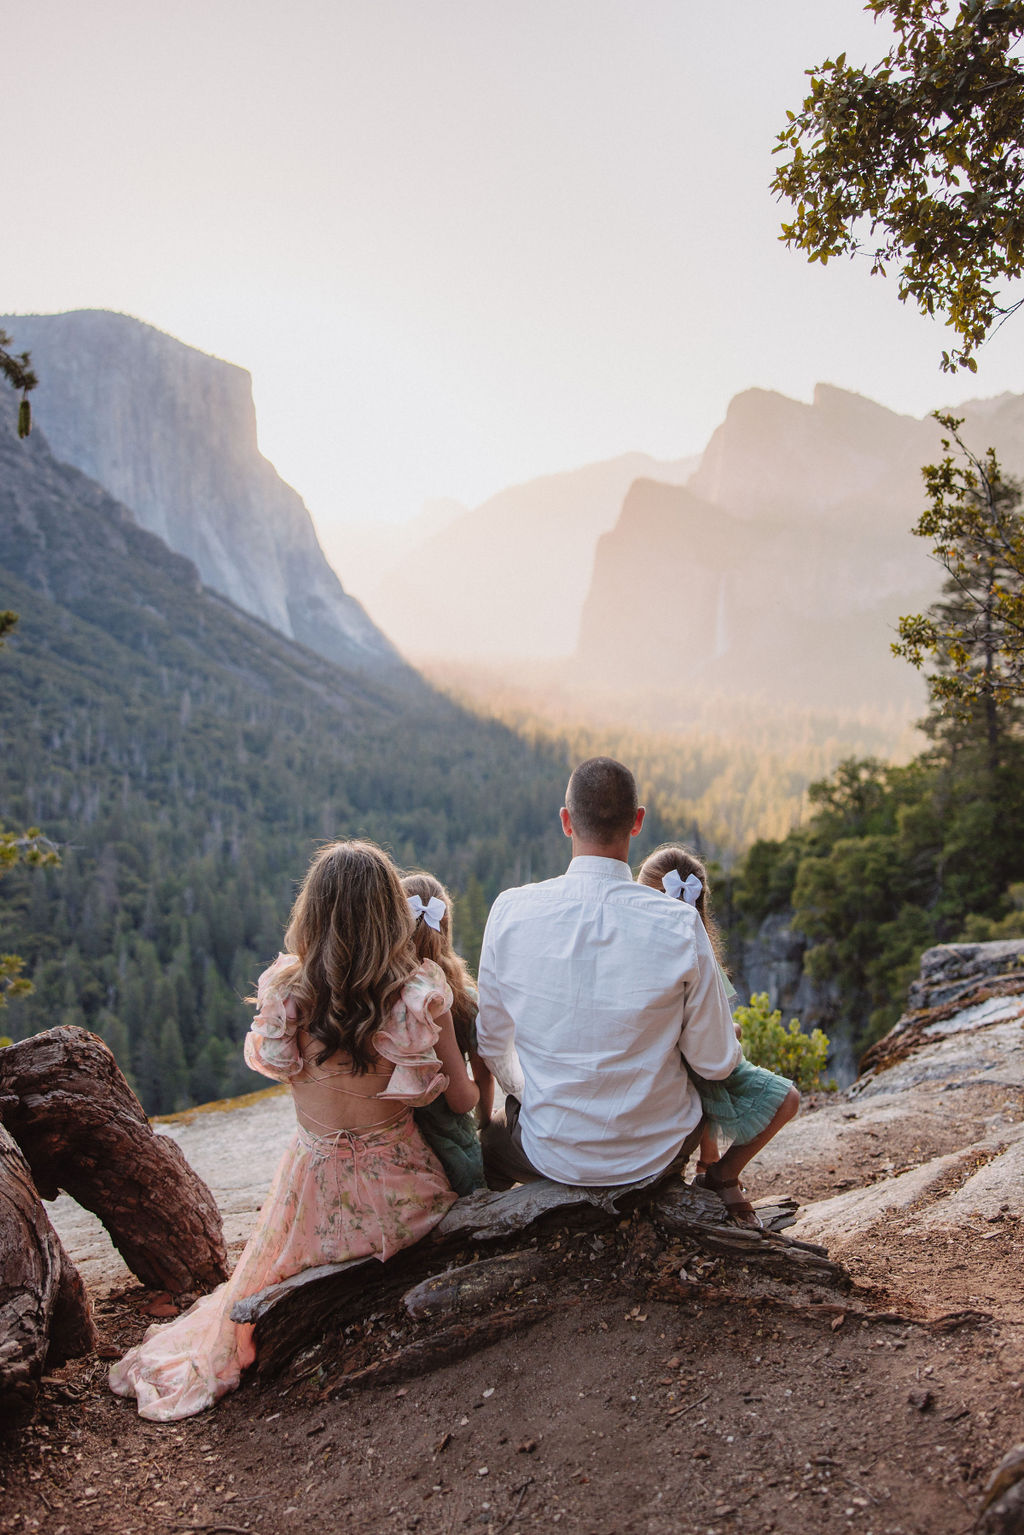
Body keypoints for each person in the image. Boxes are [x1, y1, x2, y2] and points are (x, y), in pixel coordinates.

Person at [109, 839, 477, 1422]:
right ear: (390, 914)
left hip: (310, 1192)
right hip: (405, 1199)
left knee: (254, 1282)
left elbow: (289, 1076)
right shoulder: (418, 997)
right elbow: (462, 1098)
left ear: (311, 912)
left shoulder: (288, 994)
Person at [477, 757, 742, 1195]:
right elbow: (715, 1062)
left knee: (488, 1148)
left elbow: (491, 1044)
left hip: (548, 1152)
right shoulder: (680, 924)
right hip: (657, 1153)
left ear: (566, 821)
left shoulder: (509, 910)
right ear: (637, 822)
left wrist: (531, 1094)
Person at [637, 845, 800, 1228]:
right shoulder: (696, 954)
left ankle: (712, 1167)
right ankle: (716, 1170)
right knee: (784, 1097)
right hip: (679, 1064)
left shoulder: (675, 954)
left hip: (676, 1061)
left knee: (712, 1061)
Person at [402, 871, 494, 1195]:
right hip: (452, 1151)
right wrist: (482, 1122)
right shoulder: (465, 999)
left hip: (400, 1153)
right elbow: (479, 1081)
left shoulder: (387, 996)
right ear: (445, 927)